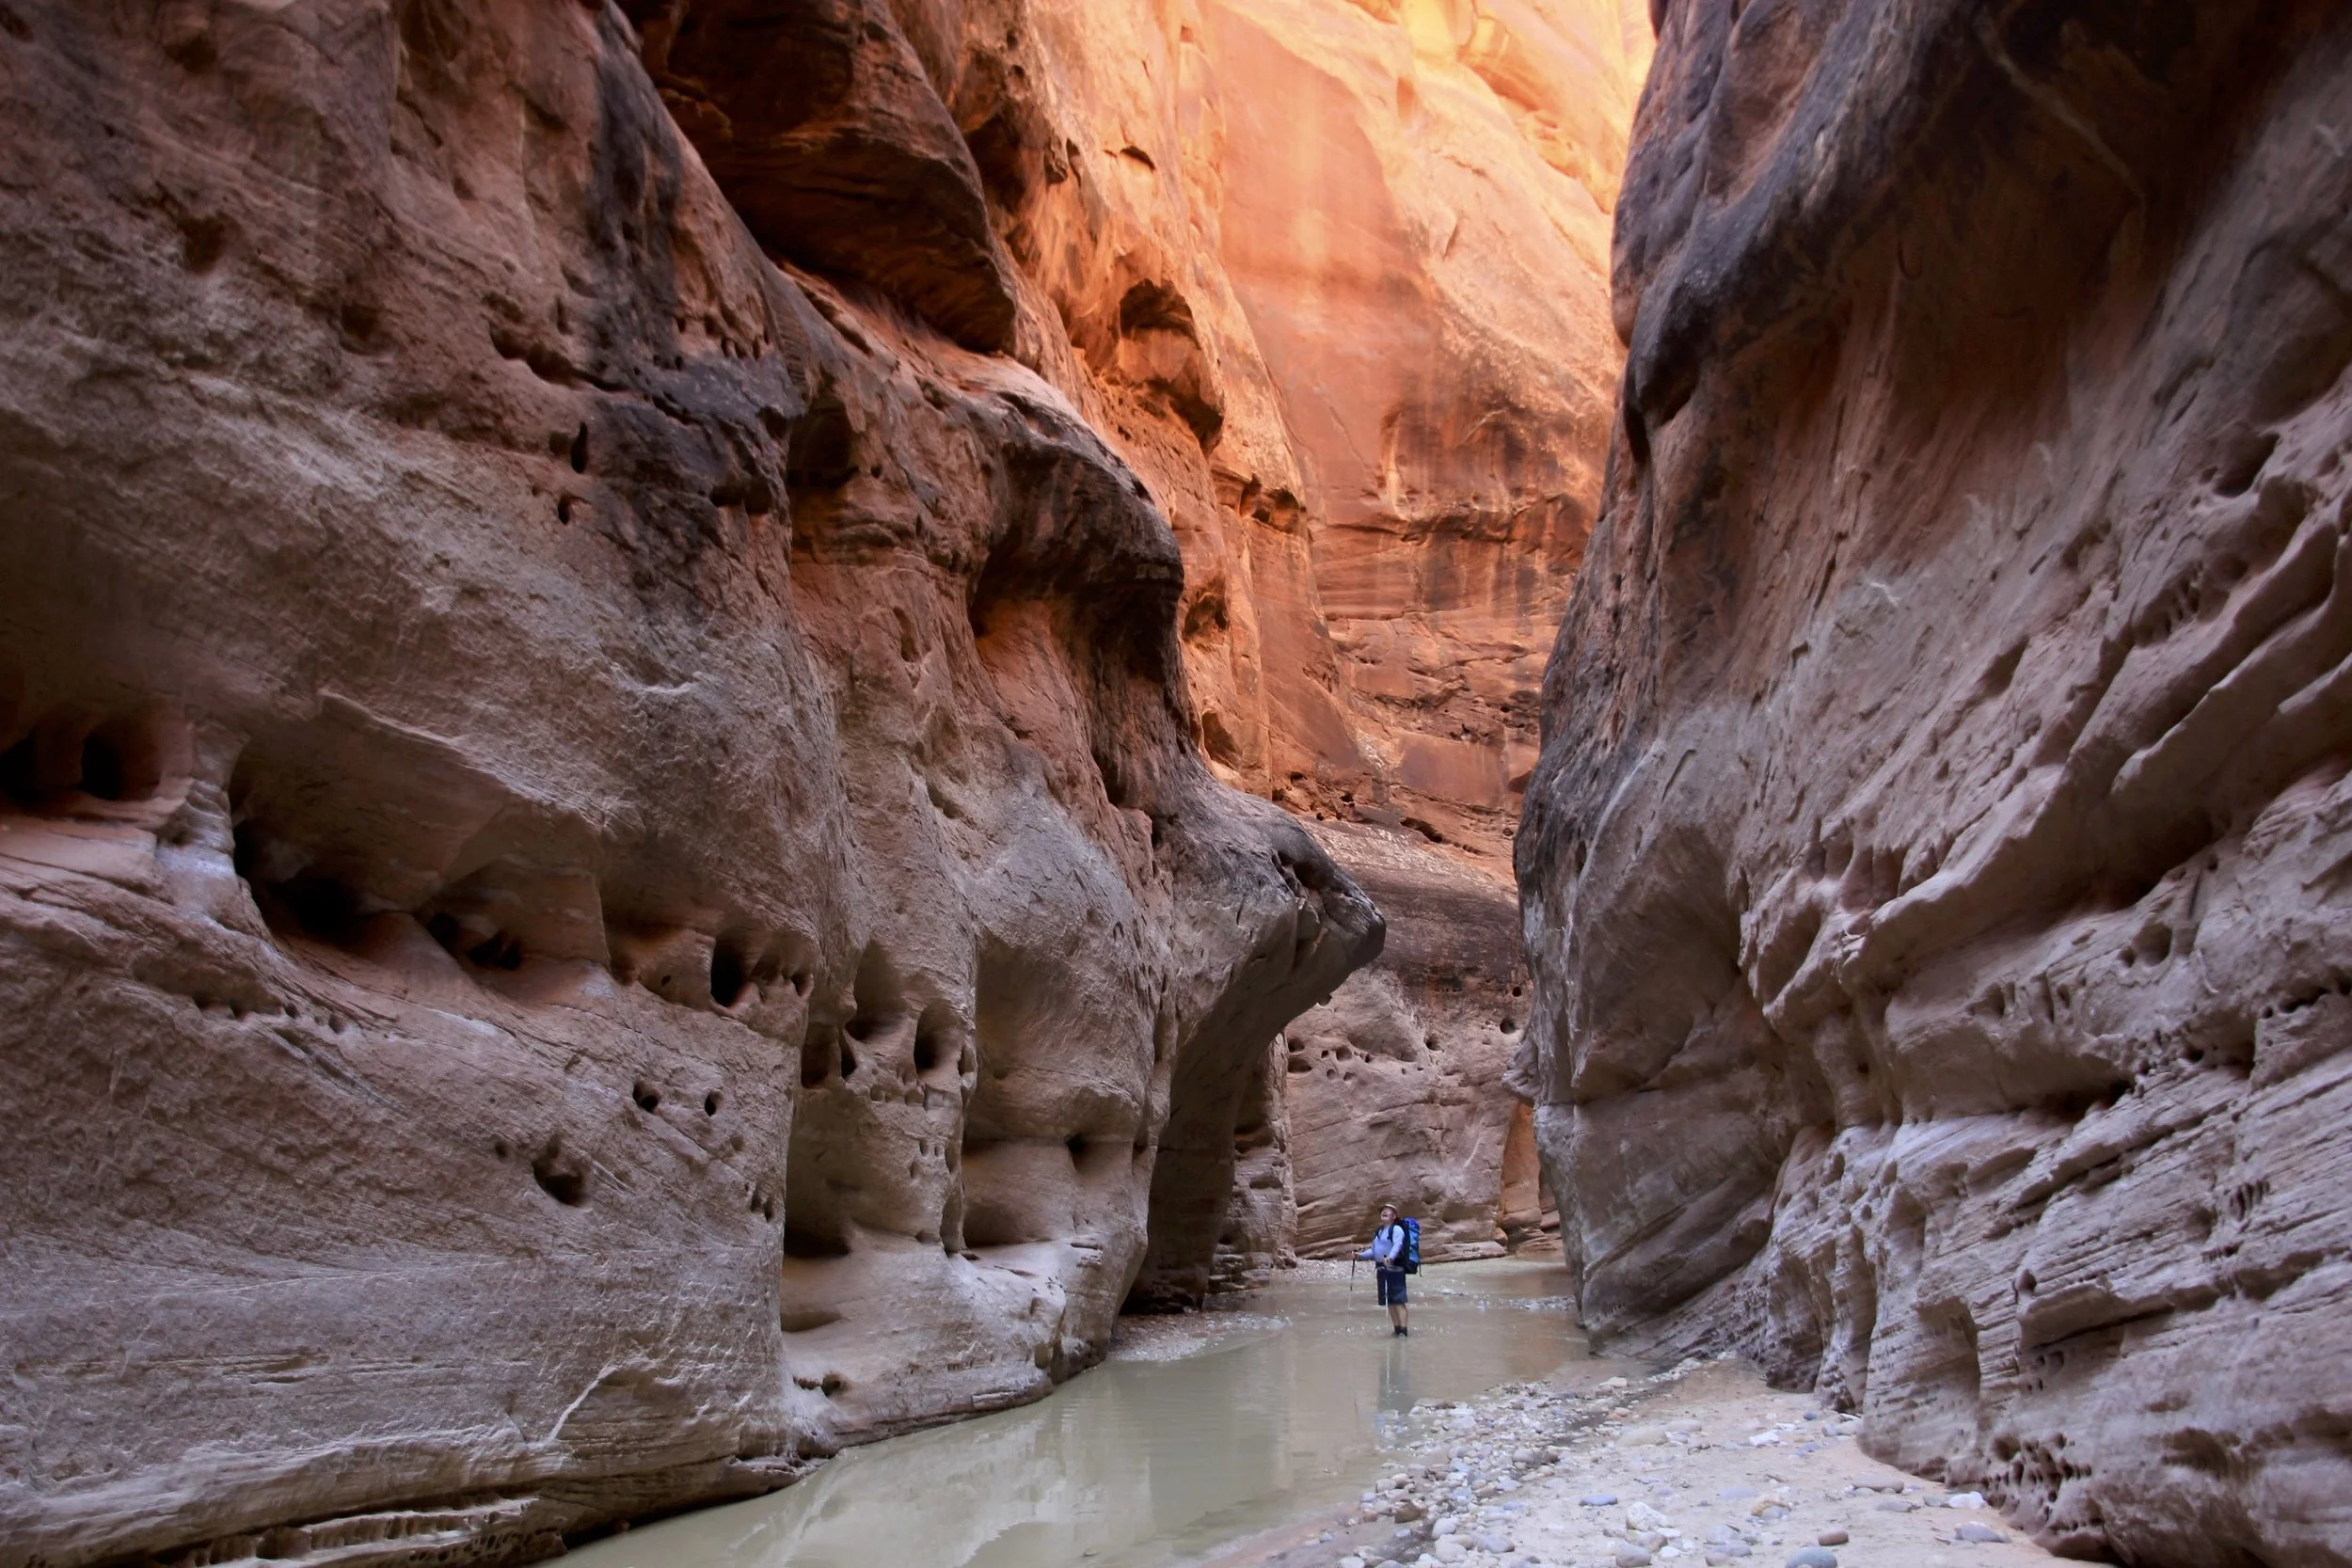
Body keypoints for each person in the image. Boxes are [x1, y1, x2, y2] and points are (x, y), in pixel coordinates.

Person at [1358, 1202, 1410, 1337]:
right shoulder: (1379, 1231)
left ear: (1394, 1216)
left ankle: (1403, 1332)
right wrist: (1359, 1256)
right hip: (1382, 1269)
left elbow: (1397, 1245)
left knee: (1398, 1301)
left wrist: (1390, 1258)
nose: (1385, 1212)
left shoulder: (1397, 1230)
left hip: (1395, 1268)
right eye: (1383, 1211)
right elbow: (1374, 1251)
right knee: (1389, 1301)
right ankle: (1396, 1329)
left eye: (1389, 1211)